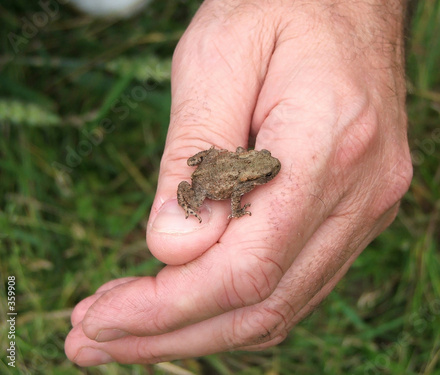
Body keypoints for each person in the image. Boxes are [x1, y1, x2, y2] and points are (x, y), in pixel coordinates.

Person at [65, 0, 413, 366]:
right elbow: (233, 199)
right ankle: (187, 207)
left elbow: (246, 164)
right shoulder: (243, 185)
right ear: (254, 176)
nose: (269, 175)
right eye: (265, 175)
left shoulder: (252, 167)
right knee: (193, 195)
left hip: (223, 163)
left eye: (266, 172)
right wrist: (235, 207)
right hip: (211, 180)